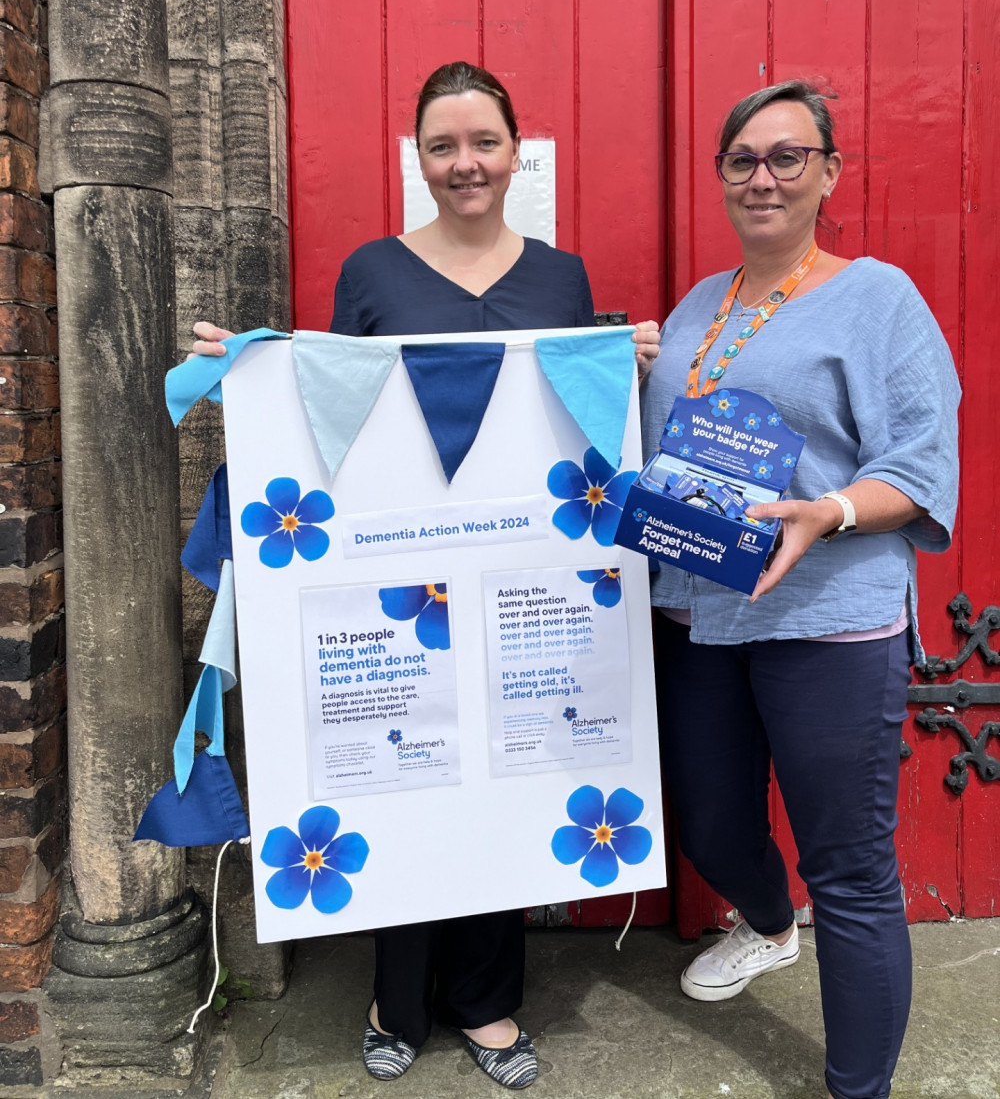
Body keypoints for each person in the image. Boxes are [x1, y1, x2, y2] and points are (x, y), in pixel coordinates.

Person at [193, 60, 660, 1089]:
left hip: (523, 581)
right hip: (400, 589)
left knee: (510, 768)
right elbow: (327, 410)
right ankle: (393, 997)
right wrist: (257, 370)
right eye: (443, 146)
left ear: (514, 150)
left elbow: (574, 411)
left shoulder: (560, 278)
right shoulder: (372, 272)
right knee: (403, 770)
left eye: (483, 142)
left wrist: (628, 360)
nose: (465, 164)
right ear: (418, 157)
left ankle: (488, 1003)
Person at [641, 79, 959, 1099]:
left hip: (827, 617)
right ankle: (769, 928)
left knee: (851, 868)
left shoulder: (878, 298)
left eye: (786, 156)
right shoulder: (699, 304)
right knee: (712, 823)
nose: (763, 176)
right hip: (701, 612)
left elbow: (920, 460)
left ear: (828, 171)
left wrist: (828, 510)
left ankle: (856, 1086)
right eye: (742, 158)